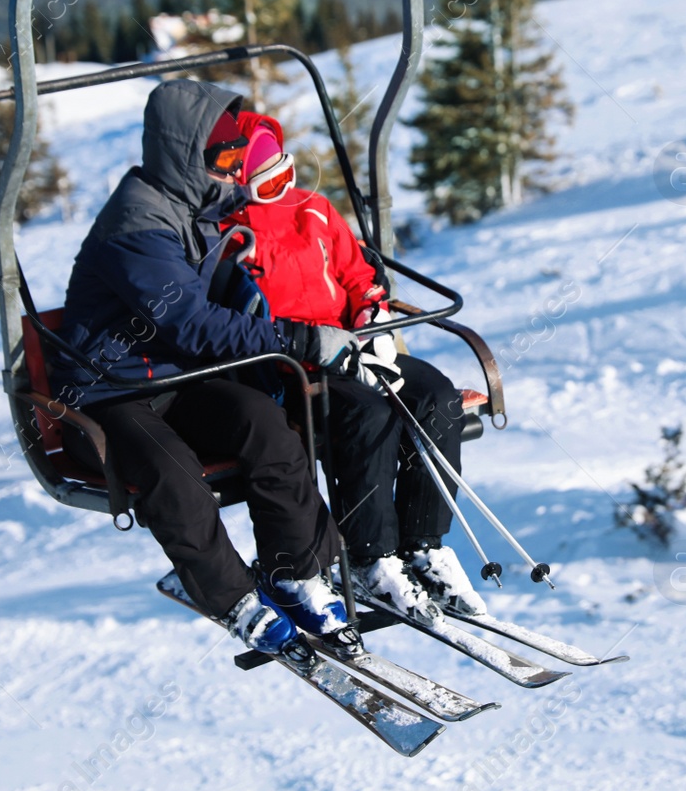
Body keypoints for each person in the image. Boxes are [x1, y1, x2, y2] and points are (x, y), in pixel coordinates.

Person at [50, 80, 367, 656]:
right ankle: (229, 596)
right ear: (184, 154)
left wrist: (236, 261)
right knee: (177, 481)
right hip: (113, 391)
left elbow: (205, 295)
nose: (233, 171)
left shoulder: (192, 209)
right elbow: (192, 323)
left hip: (176, 379)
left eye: (235, 159)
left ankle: (293, 571)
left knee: (267, 429)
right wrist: (297, 338)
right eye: (223, 159)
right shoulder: (136, 224)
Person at [214, 109, 487, 620]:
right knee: (369, 413)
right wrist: (319, 343)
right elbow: (243, 314)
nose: (280, 180)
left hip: (360, 341)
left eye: (280, 168)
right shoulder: (233, 236)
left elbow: (357, 272)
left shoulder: (314, 211)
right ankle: (370, 557)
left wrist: (371, 314)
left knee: (436, 396)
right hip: (298, 362)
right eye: (265, 173)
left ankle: (422, 544)